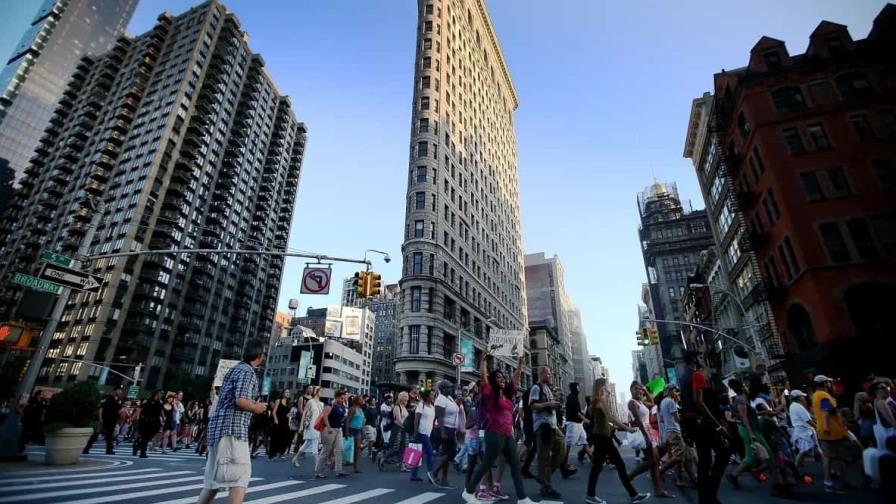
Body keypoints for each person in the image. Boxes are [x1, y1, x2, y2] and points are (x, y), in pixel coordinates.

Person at [195, 338, 267, 504]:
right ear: (259, 355)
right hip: (232, 429)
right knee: (241, 475)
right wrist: (256, 408)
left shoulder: (235, 369)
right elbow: (241, 400)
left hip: (218, 429)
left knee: (212, 481)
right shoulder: (248, 372)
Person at [462, 353, 534, 504]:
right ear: (494, 381)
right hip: (494, 433)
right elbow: (483, 378)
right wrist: (482, 360)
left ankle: (522, 498)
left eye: (503, 378)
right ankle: (469, 492)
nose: (502, 380)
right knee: (487, 463)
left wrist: (520, 364)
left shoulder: (507, 395)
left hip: (508, 435)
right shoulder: (490, 393)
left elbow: (515, 378)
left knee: (515, 465)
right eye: (498, 378)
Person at [586, 377, 651, 504]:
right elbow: (611, 417)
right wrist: (627, 428)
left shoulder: (595, 401)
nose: (609, 386)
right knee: (618, 465)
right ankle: (633, 495)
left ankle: (590, 495)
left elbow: (603, 420)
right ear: (602, 386)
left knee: (598, 467)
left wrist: (614, 426)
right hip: (603, 439)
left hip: (601, 437)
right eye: (607, 384)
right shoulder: (601, 400)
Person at [679, 351, 730, 504]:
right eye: (700, 358)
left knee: (704, 461)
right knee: (724, 453)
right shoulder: (697, 375)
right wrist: (717, 424)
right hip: (704, 422)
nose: (702, 360)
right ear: (695, 359)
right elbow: (699, 401)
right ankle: (710, 493)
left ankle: (705, 498)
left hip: (692, 423)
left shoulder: (683, 377)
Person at [812, 374, 861, 494]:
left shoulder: (815, 395)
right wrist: (827, 426)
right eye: (828, 382)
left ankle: (830, 483)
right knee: (855, 450)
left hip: (825, 432)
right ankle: (841, 483)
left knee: (830, 458)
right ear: (824, 384)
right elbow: (825, 409)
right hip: (834, 432)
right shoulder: (823, 395)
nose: (830, 384)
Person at [627, 381, 673, 498]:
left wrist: (646, 391)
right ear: (631, 390)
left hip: (648, 431)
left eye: (640, 389)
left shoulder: (640, 401)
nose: (638, 391)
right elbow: (638, 420)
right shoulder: (632, 403)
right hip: (643, 432)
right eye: (636, 389)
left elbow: (652, 404)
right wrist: (647, 436)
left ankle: (658, 490)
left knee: (655, 461)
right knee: (653, 461)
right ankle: (630, 475)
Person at [726, 378, 771, 489]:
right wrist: (751, 433)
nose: (746, 386)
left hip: (749, 428)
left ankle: (734, 475)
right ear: (741, 386)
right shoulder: (740, 400)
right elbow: (744, 417)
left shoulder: (743, 398)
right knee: (767, 454)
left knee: (750, 457)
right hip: (749, 430)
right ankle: (754, 472)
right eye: (744, 385)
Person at [530, 366, 567, 499]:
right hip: (543, 426)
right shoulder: (536, 388)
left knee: (562, 447)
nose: (550, 376)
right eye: (548, 374)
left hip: (552, 426)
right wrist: (549, 404)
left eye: (551, 374)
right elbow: (533, 406)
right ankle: (546, 486)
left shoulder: (548, 389)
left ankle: (543, 476)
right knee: (544, 457)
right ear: (542, 374)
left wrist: (555, 404)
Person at [433, 379, 460, 488]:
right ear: (444, 389)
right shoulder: (440, 399)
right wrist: (443, 431)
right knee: (449, 454)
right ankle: (435, 472)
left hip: (451, 429)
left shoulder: (449, 398)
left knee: (448, 454)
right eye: (449, 387)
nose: (451, 389)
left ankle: (444, 480)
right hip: (444, 429)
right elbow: (439, 416)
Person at [316, 389, 348, 478]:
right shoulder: (330, 405)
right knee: (326, 450)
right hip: (329, 429)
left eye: (343, 398)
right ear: (336, 397)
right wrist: (329, 427)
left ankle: (338, 470)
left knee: (340, 449)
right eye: (341, 398)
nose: (342, 399)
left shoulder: (342, 406)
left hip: (338, 429)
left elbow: (343, 417)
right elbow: (325, 416)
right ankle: (318, 471)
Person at [410, 388, 438, 484]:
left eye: (434, 395)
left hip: (429, 432)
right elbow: (416, 420)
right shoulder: (421, 405)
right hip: (421, 432)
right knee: (430, 453)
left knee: (419, 453)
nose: (433, 396)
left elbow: (432, 420)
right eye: (431, 395)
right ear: (426, 396)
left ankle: (414, 475)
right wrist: (415, 432)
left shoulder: (432, 406)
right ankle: (431, 475)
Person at [293, 386, 323, 474]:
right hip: (311, 426)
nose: (321, 392)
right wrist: (301, 426)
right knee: (314, 446)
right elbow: (304, 414)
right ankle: (317, 469)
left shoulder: (321, 404)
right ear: (316, 392)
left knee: (307, 444)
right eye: (320, 391)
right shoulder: (310, 402)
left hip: (318, 427)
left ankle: (295, 458)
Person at [379, 391, 410, 470]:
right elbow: (398, 419)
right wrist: (405, 426)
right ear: (401, 399)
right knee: (395, 448)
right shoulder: (397, 407)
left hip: (404, 429)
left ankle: (402, 465)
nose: (406, 400)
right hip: (397, 428)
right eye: (405, 398)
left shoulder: (404, 407)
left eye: (407, 398)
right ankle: (383, 458)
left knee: (404, 447)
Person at [788, 390, 818, 470]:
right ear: (798, 398)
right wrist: (817, 427)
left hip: (803, 431)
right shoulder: (798, 406)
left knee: (808, 450)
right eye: (802, 396)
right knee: (803, 451)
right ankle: (795, 469)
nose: (804, 398)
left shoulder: (793, 406)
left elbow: (809, 417)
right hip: (804, 431)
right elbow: (808, 420)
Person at [135, 390, 163, 458]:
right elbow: (140, 408)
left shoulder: (160, 402)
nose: (160, 395)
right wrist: (137, 418)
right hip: (146, 421)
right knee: (145, 437)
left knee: (148, 437)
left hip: (155, 422)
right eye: (160, 394)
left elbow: (161, 411)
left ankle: (137, 446)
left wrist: (163, 418)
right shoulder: (148, 401)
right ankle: (142, 452)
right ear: (156, 394)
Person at [872, 379, 896, 450]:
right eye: (883, 388)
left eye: (887, 387)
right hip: (892, 435)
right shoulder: (881, 403)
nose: (887, 390)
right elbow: (893, 422)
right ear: (876, 391)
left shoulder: (877, 401)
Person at [269, 389, 291, 459]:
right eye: (286, 392)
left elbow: (287, 412)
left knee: (286, 436)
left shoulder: (288, 402)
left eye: (288, 392)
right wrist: (275, 419)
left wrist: (288, 415)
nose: (287, 394)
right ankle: (275, 453)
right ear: (283, 393)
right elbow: (274, 411)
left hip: (285, 421)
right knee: (277, 437)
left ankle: (282, 452)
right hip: (279, 420)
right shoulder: (278, 400)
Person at [346, 395, 366, 473]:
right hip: (352, 429)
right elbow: (348, 420)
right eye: (361, 399)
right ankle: (339, 462)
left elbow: (362, 422)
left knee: (358, 448)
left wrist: (363, 430)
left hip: (358, 430)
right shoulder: (353, 409)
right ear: (357, 400)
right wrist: (347, 432)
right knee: (349, 448)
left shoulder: (360, 409)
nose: (362, 401)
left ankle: (356, 467)